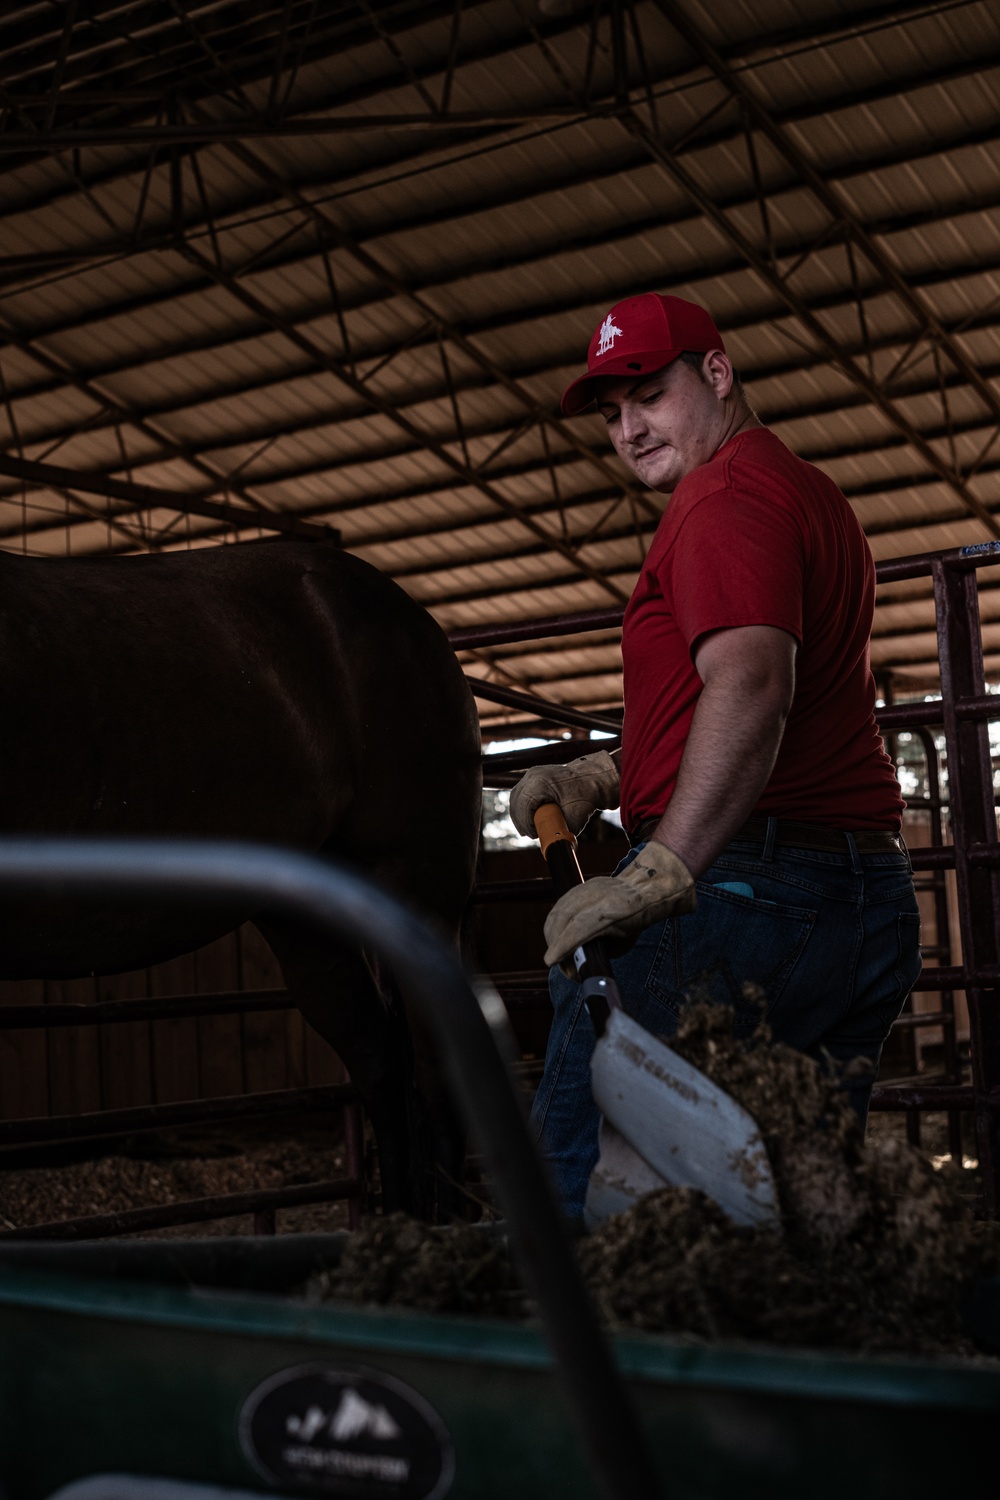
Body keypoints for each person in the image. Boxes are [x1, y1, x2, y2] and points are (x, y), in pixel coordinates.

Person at [510, 292, 920, 1218]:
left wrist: (662, 868)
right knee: (789, 1201)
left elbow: (752, 690)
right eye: (612, 414)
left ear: (718, 373)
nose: (628, 428)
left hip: (746, 898)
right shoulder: (803, 492)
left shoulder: (720, 498)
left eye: (648, 394)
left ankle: (556, 1361)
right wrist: (601, 777)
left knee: (575, 1187)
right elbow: (756, 701)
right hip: (859, 901)